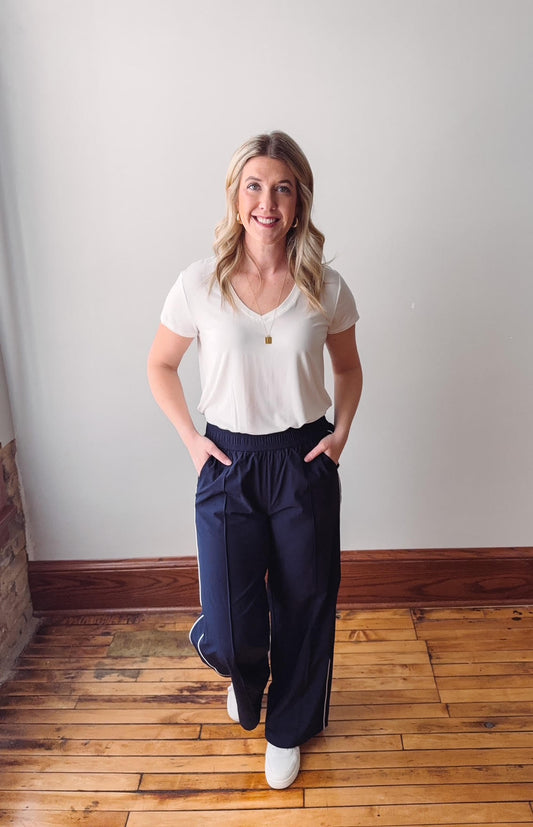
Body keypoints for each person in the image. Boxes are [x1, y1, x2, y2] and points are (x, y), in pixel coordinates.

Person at [147, 131, 363, 789]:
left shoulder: (324, 284)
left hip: (302, 460)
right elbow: (160, 363)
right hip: (228, 460)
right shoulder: (199, 282)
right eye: (254, 185)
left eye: (282, 188)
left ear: (298, 202)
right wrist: (191, 439)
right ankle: (238, 661)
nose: (266, 201)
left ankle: (288, 727)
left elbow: (348, 368)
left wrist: (341, 434)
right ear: (236, 195)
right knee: (234, 622)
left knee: (305, 601)